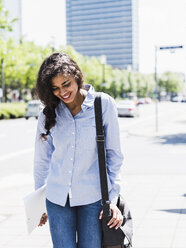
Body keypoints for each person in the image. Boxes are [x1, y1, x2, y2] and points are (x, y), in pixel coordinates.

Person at [33, 52, 124, 248]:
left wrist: (113, 199)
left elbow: (114, 155)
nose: (62, 92)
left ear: (77, 77)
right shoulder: (48, 113)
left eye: (66, 84)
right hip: (57, 200)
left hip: (93, 199)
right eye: (55, 88)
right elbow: (42, 160)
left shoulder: (103, 104)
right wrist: (38, 204)